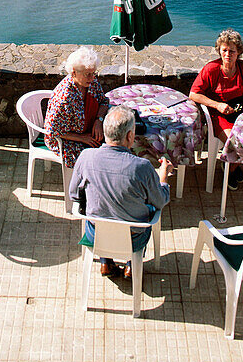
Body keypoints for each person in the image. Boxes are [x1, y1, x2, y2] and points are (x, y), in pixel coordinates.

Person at [68, 106, 172, 278]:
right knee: (143, 213)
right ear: (130, 136)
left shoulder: (86, 157)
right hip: (133, 238)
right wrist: (163, 177)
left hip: (97, 234)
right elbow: (160, 201)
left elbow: (74, 194)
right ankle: (131, 265)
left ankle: (106, 262)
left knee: (105, 211)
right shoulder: (142, 167)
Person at [189, 28, 243, 188]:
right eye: (224, 50)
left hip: (240, 111)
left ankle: (231, 166)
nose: (227, 54)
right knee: (237, 144)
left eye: (231, 51)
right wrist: (217, 105)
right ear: (219, 50)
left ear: (238, 52)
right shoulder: (211, 69)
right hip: (218, 114)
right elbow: (193, 94)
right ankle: (231, 167)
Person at [44, 46, 110, 168]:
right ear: (74, 72)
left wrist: (98, 120)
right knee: (94, 163)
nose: (92, 78)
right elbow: (53, 131)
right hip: (66, 139)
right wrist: (82, 138)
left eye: (93, 73)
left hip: (90, 129)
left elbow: (104, 101)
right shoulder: (64, 98)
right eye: (87, 74)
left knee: (116, 147)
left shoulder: (91, 83)